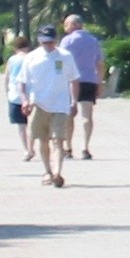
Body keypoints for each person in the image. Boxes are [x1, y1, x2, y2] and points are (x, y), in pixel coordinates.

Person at [21, 24, 79, 187]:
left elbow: (74, 79)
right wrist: (25, 100)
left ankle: (57, 173)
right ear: (39, 40)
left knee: (58, 141)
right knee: (42, 140)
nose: (48, 45)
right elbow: (23, 82)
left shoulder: (65, 56)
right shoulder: (31, 57)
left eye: (51, 41)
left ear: (56, 40)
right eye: (45, 41)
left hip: (60, 105)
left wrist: (74, 101)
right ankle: (47, 171)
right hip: (38, 104)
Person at [60, 14, 105, 160]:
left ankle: (68, 147)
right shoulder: (93, 41)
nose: (65, 28)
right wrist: (99, 82)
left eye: (66, 25)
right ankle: (85, 147)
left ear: (73, 25)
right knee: (87, 115)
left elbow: (60, 61)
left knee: (69, 114)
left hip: (70, 81)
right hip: (89, 80)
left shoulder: (66, 41)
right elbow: (100, 63)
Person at [4, 34, 33, 159]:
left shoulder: (12, 59)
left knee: (21, 126)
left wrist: (7, 92)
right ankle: (32, 147)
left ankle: (27, 150)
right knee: (32, 124)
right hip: (30, 95)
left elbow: (7, 77)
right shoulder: (31, 58)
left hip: (15, 95)